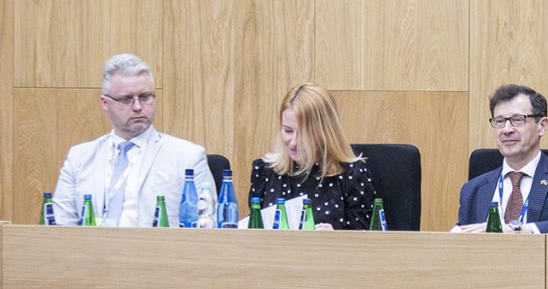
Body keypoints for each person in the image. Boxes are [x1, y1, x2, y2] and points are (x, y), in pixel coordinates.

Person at [53, 53, 214, 227]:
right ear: (105, 103)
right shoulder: (79, 157)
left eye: (145, 97)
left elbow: (206, 227)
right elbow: (60, 225)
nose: (137, 107)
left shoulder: (187, 157)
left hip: (156, 245)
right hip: (91, 245)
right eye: (126, 99)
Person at [454, 85, 548, 233]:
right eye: (500, 121)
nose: (506, 130)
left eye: (517, 120)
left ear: (542, 126)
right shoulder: (473, 189)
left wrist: (518, 230)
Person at [248, 83, 375, 230]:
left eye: (305, 134)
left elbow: (365, 239)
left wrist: (337, 238)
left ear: (325, 133)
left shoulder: (352, 174)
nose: (294, 143)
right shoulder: (264, 171)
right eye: (288, 131)